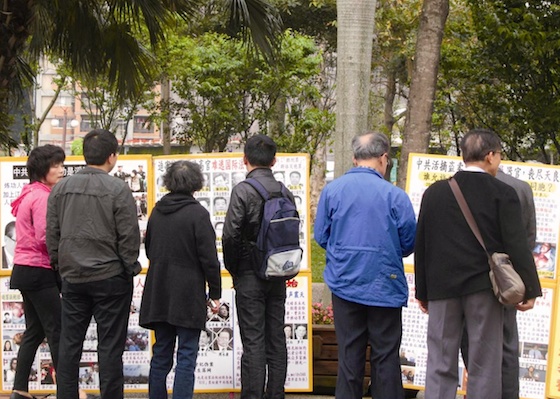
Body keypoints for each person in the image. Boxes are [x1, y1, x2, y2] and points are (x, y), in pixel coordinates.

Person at [414, 128, 542, 399]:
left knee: (439, 360)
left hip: (441, 290)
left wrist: (422, 292)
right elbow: (517, 246)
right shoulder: (502, 193)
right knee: (485, 362)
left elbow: (422, 244)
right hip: (484, 290)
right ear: (491, 156)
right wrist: (530, 289)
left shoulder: (434, 192)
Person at [314, 132, 416, 399]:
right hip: (385, 283)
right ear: (384, 158)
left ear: (354, 158)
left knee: (350, 356)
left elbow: (321, 236)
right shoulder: (395, 195)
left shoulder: (332, 190)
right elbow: (408, 241)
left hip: (344, 281)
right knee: (386, 357)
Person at [46, 129, 141, 399]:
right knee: (110, 348)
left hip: (73, 278)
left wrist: (59, 265)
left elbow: (52, 234)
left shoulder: (61, 188)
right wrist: (128, 268)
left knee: (69, 346)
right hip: (111, 277)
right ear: (112, 157)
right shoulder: (118, 189)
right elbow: (128, 236)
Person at [139, 160, 222, 399]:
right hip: (187, 292)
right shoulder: (198, 214)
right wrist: (214, 293)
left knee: (161, 352)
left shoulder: (157, 210)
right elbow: (209, 259)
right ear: (196, 183)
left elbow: (149, 249)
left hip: (159, 290)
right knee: (187, 354)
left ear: (169, 182)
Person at [223, 134, 295, 399]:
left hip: (249, 275)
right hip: (277, 273)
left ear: (245, 160)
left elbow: (230, 235)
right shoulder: (285, 191)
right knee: (276, 337)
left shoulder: (243, 190)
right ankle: (275, 394)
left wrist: (235, 269)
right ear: (274, 160)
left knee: (253, 340)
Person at [461, 167, 537, 399]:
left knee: (472, 343)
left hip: (468, 279)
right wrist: (528, 284)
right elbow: (527, 240)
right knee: (506, 346)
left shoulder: (455, 186)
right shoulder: (519, 187)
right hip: (506, 281)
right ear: (493, 154)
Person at [8, 145, 65, 399]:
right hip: (39, 269)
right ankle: (68, 390)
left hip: (24, 269)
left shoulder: (29, 193)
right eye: (56, 165)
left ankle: (20, 389)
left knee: (36, 331)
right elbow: (45, 237)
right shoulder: (42, 197)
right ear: (43, 170)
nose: (62, 170)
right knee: (57, 331)